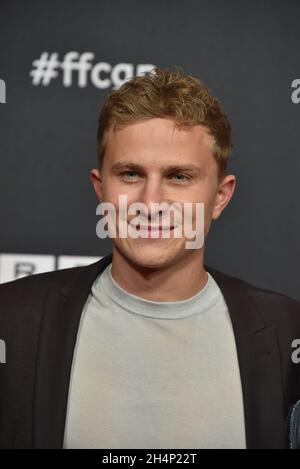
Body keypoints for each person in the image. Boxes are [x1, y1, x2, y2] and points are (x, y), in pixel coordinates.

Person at [0, 66, 300, 449]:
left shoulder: (288, 333)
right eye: (130, 174)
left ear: (220, 197)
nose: (150, 203)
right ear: (100, 187)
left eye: (178, 177)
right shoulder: (11, 322)